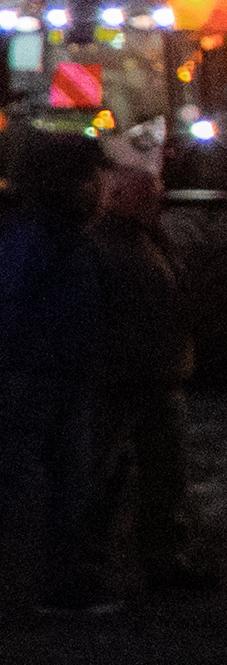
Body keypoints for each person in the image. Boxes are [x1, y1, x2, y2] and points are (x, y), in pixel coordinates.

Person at [0, 130, 110, 620]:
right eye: (92, 178)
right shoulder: (39, 239)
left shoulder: (51, 235)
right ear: (68, 183)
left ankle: (60, 585)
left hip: (56, 373)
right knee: (10, 478)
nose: (100, 188)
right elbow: (9, 311)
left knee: (64, 483)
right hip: (35, 376)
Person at [90, 150, 208, 594]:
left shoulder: (142, 241)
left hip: (155, 377)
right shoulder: (111, 245)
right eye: (145, 196)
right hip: (128, 379)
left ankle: (159, 562)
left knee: (160, 477)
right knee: (110, 476)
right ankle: (94, 566)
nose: (151, 204)